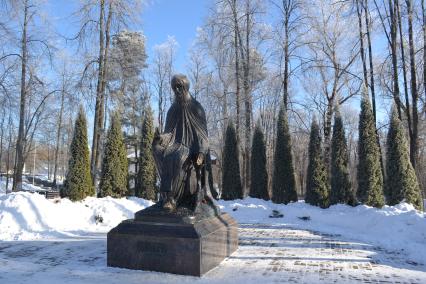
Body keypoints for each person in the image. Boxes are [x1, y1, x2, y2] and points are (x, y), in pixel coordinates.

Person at [152, 74, 214, 212]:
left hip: (191, 147)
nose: (177, 91)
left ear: (186, 87)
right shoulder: (172, 109)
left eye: (180, 87)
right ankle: (165, 196)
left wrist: (202, 152)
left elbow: (203, 135)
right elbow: (169, 133)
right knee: (157, 150)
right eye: (175, 88)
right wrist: (160, 139)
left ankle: (172, 198)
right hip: (175, 143)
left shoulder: (196, 108)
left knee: (177, 156)